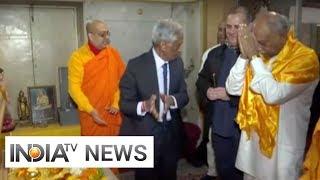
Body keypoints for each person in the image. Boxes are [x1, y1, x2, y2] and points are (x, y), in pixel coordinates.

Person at [226, 11, 319, 180]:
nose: (258, 47)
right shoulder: (259, 53)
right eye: (255, 42)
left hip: (281, 150)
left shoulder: (305, 59)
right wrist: (243, 55)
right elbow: (232, 88)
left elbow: (274, 94)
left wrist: (253, 57)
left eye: (262, 43)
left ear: (283, 35)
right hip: (251, 148)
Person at [119, 19, 189, 180]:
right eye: (177, 45)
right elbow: (124, 104)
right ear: (163, 45)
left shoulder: (177, 63)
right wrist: (143, 106)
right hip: (145, 135)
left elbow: (184, 95)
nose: (180, 49)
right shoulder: (136, 66)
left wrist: (172, 100)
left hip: (171, 134)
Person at [196, 6, 249, 180]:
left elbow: (260, 93)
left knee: (242, 174)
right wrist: (208, 90)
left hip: (244, 128)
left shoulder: (255, 57)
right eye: (228, 27)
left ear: (246, 28)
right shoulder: (215, 54)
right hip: (219, 125)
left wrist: (230, 95)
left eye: (237, 27)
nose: (231, 31)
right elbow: (201, 80)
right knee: (224, 171)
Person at [68, 20, 125, 136]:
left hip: (113, 115)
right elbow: (74, 89)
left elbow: (124, 81)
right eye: (102, 34)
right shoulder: (78, 57)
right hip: (91, 116)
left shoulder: (113, 54)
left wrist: (116, 102)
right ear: (90, 36)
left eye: (108, 33)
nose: (107, 37)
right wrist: (91, 110)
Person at [196, 20, 226, 179]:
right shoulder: (211, 53)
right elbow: (201, 80)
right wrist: (206, 98)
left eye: (226, 29)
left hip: (232, 108)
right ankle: (212, 172)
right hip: (212, 106)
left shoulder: (244, 54)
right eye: (220, 29)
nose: (222, 33)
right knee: (210, 142)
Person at [0, 68, 15, 133]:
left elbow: (5, 93)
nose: (2, 76)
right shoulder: (2, 84)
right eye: (1, 74)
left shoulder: (3, 83)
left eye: (3, 74)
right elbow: (4, 93)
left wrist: (6, 99)